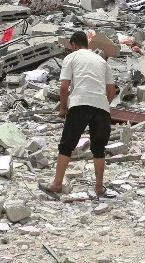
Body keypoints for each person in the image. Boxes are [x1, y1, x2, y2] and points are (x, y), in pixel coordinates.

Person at [41, 31, 117, 200]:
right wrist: (103, 103)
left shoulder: (72, 57)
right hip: (101, 107)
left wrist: (63, 108)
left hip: (80, 103)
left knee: (66, 145)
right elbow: (111, 90)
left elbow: (64, 87)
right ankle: (98, 187)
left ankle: (57, 183)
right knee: (98, 149)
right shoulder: (102, 61)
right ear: (86, 44)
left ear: (74, 45)